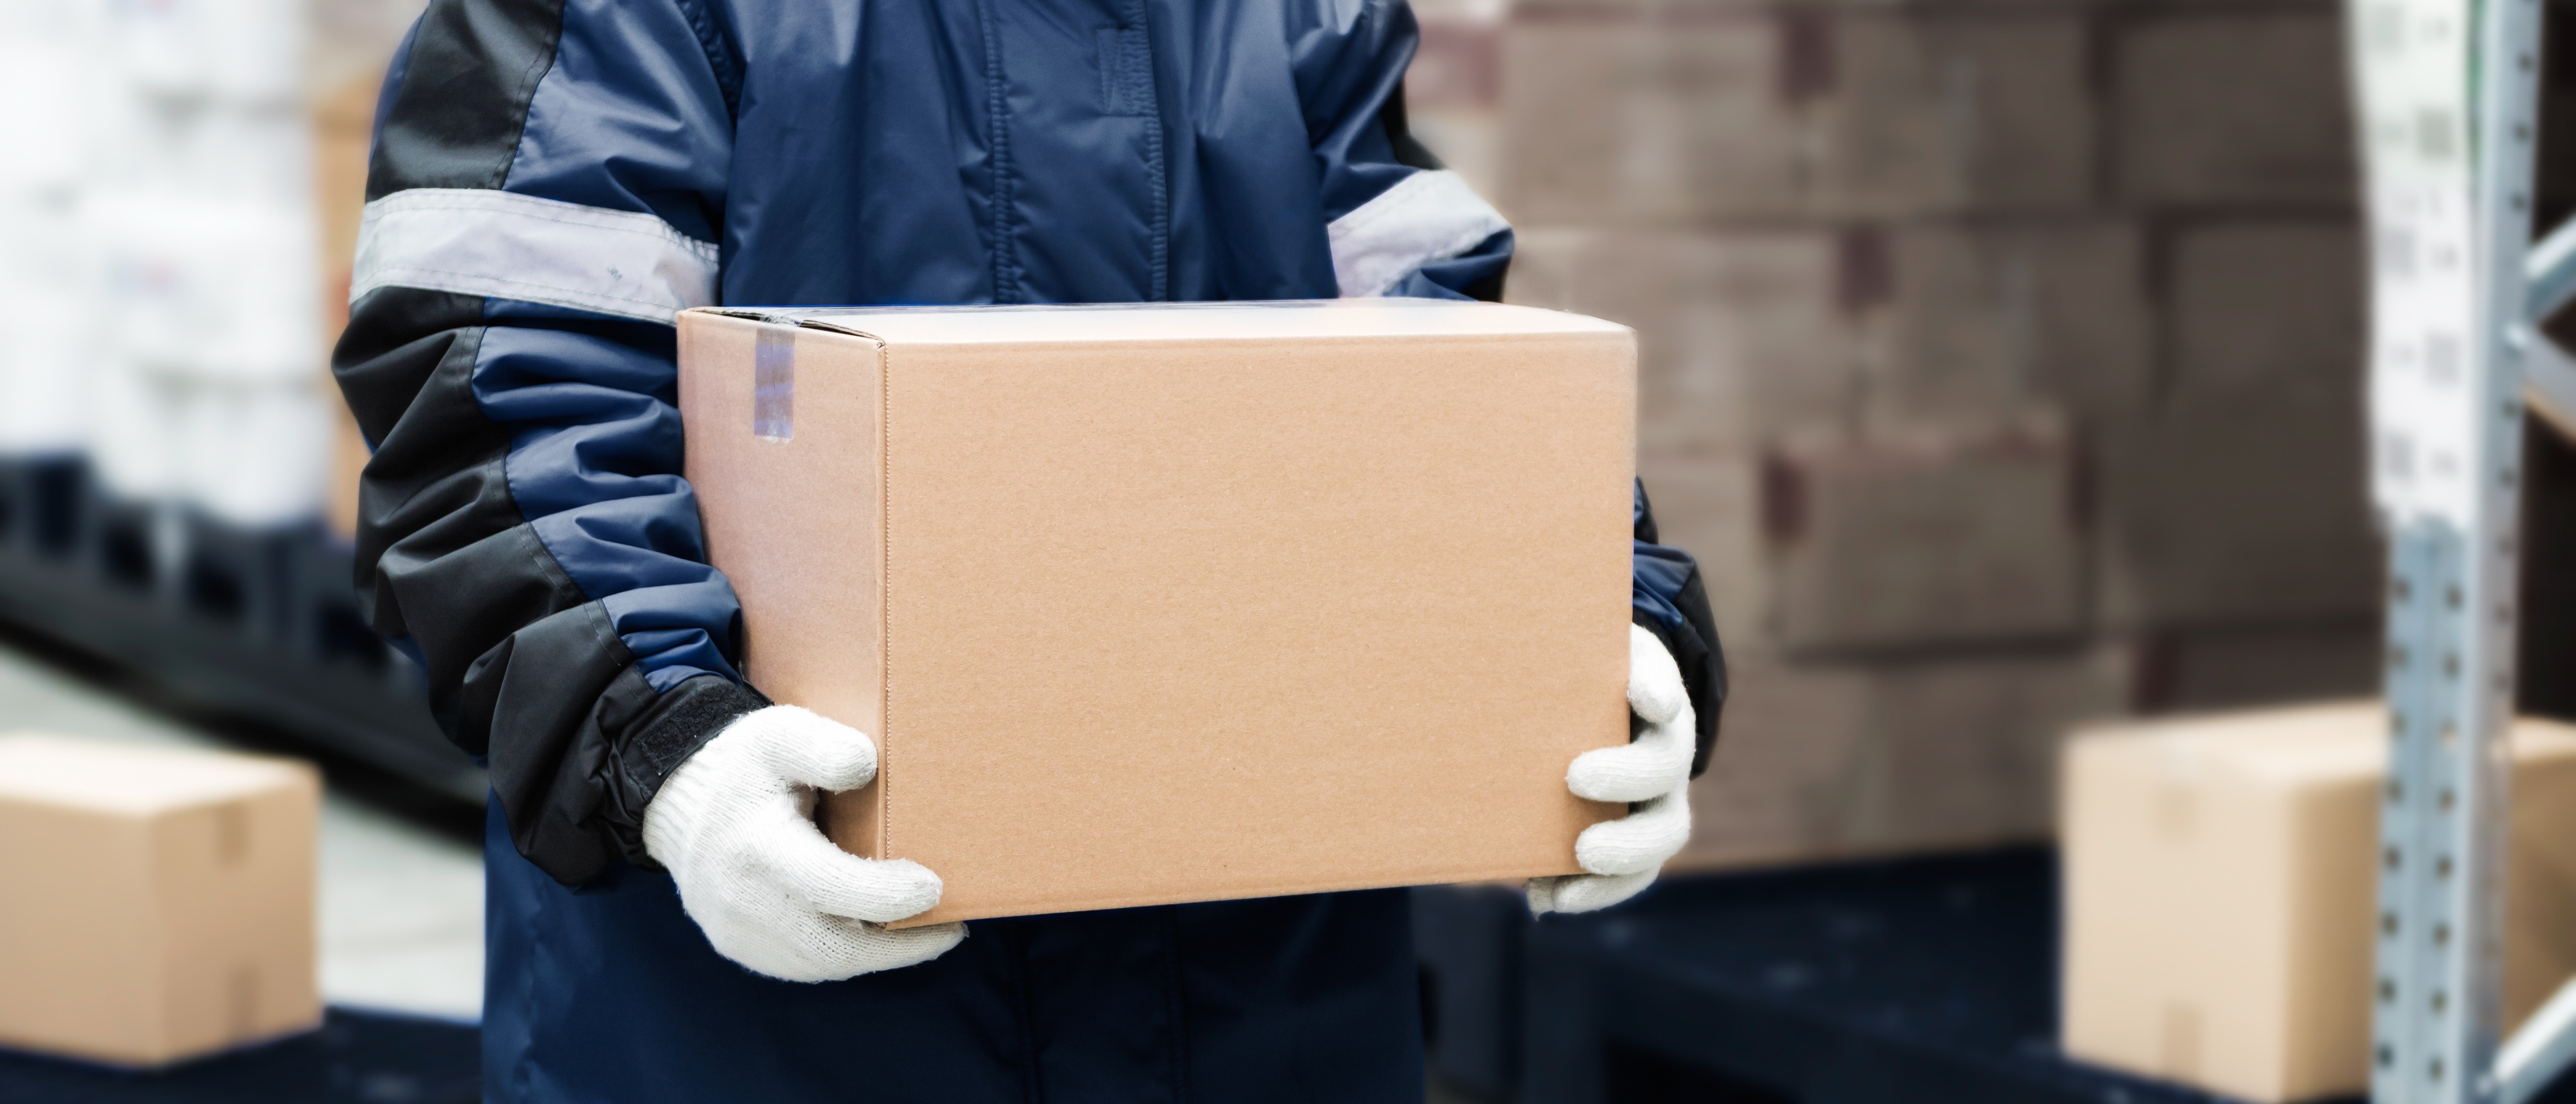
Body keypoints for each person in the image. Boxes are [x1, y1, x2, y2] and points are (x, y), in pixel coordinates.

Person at [333, 0, 1727, 1098]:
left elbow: (1446, 382)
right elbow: (496, 393)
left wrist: (1597, 627)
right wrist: (658, 748)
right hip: (769, 1012)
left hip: (1261, 1007)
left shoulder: (1304, 12)